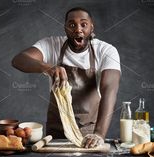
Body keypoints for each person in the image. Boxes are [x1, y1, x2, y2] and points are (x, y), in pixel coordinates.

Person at [12, 7, 121, 148]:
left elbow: (109, 91)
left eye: (84, 24)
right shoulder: (52, 45)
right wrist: (48, 68)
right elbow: (19, 60)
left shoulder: (106, 51)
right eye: (72, 24)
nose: (78, 29)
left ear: (91, 27)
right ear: (65, 28)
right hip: (56, 133)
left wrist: (99, 134)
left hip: (89, 134)